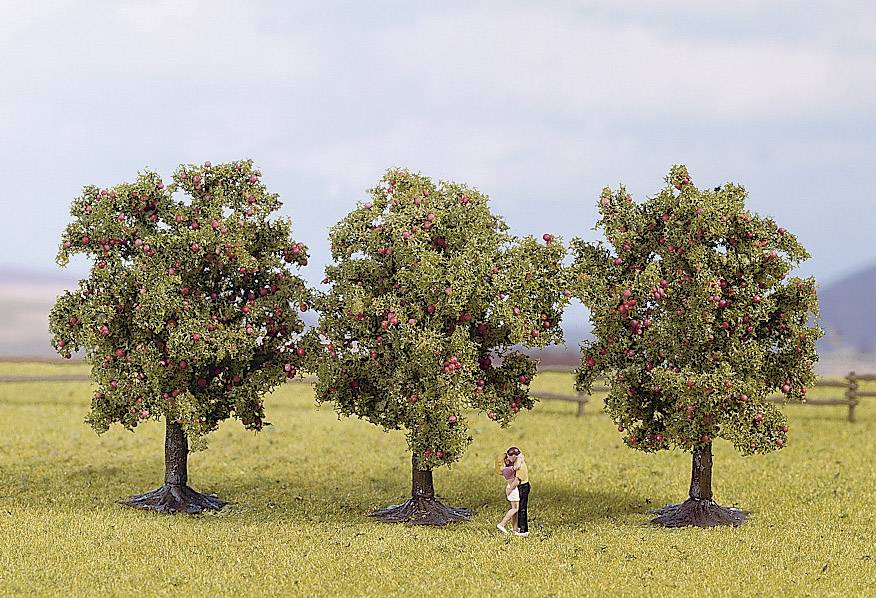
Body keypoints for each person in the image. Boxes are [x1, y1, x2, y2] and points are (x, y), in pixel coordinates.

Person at [505, 446, 530, 536]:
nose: (508, 458)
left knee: (522, 509)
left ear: (514, 456)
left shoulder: (520, 467)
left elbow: (517, 480)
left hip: (523, 487)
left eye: (509, 456)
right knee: (518, 508)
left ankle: (524, 530)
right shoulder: (516, 464)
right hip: (520, 487)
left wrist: (510, 489)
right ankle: (518, 527)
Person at [496, 455, 519, 534]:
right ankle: (502, 524)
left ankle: (515, 528)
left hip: (512, 489)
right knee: (515, 509)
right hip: (513, 489)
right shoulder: (508, 470)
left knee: (515, 510)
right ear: (505, 461)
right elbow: (518, 466)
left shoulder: (506, 469)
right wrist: (520, 458)